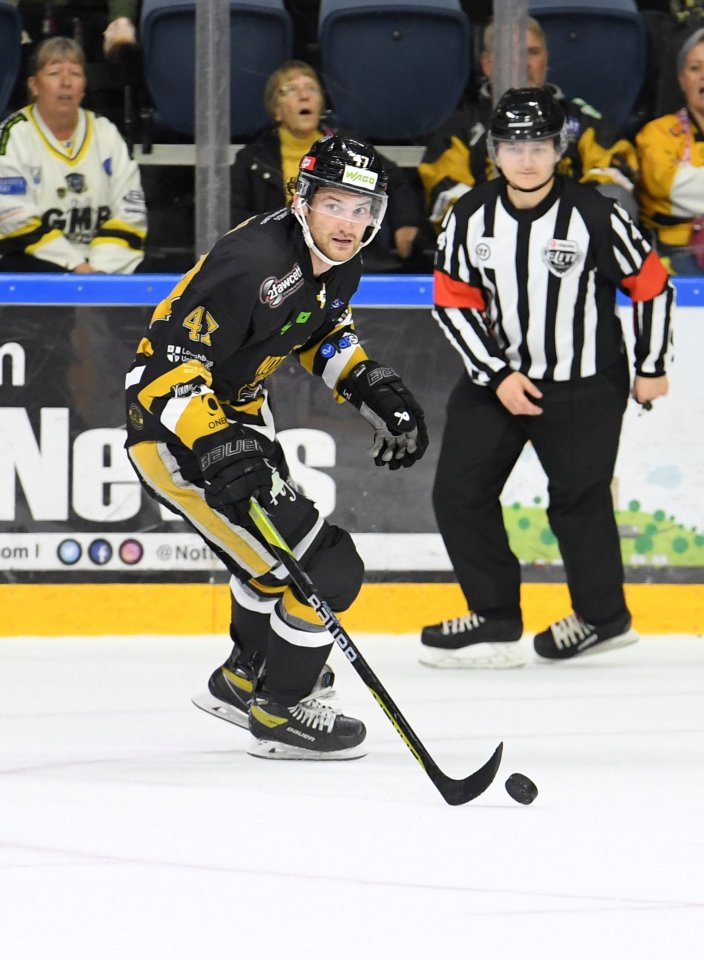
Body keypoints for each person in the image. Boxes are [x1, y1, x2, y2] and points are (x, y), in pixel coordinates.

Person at [125, 135, 428, 759]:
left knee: (276, 564)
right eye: (337, 204)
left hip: (242, 420)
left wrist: (372, 384)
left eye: (364, 208)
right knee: (326, 566)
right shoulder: (252, 262)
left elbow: (320, 331)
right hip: (176, 434)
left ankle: (244, 680)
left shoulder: (341, 260)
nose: (351, 223)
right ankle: (282, 709)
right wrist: (215, 445)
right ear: (302, 199)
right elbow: (165, 366)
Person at [419, 86, 673, 669]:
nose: (526, 159)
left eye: (539, 145)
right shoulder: (469, 216)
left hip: (585, 382)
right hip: (498, 381)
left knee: (578, 503)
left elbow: (652, 285)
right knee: (459, 494)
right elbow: (453, 301)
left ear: (559, 148)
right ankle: (494, 616)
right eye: (513, 146)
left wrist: (653, 365)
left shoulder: (597, 214)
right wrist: (496, 373)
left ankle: (603, 620)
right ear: (495, 151)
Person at [418, 17, 640, 230]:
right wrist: (514, 213)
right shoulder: (459, 130)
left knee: (614, 197)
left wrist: (554, 212)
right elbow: (448, 197)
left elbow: (616, 175)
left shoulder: (581, 122)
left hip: (572, 246)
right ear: (487, 64)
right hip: (492, 250)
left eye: (532, 53)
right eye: (510, 55)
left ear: (546, 58)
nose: (523, 64)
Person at [230, 59, 426, 270]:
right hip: (275, 262)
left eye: (311, 88)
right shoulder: (253, 159)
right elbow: (233, 213)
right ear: (275, 109)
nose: (304, 95)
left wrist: (406, 222)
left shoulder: (348, 147)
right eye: (290, 89)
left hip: (349, 256)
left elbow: (393, 181)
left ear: (320, 104)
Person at [0, 36, 146, 272]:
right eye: (54, 73)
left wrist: (99, 270)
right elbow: (13, 218)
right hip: (35, 262)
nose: (66, 82)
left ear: (84, 87)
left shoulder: (106, 132)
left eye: (75, 74)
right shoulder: (11, 135)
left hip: (104, 267)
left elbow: (130, 212)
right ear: (34, 85)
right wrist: (75, 265)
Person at [636, 27, 704, 275]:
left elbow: (685, 190)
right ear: (681, 79)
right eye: (695, 68)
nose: (703, 77)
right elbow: (667, 188)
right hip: (677, 253)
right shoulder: (657, 133)